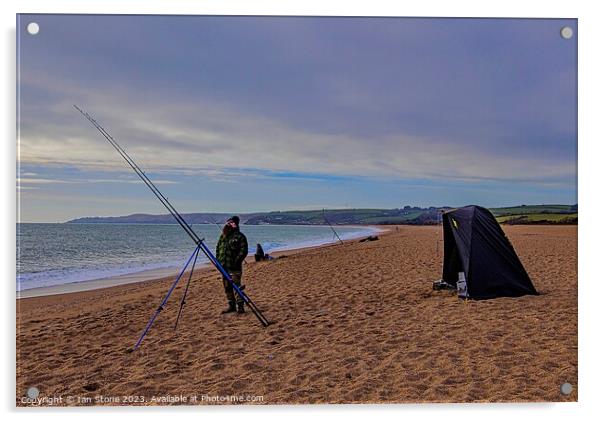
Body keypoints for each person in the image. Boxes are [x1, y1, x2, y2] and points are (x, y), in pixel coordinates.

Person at [216, 216, 248, 314]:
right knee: (227, 287)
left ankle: (240, 306)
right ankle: (231, 306)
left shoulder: (240, 236)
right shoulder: (223, 236)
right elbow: (218, 248)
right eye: (227, 223)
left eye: (231, 223)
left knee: (236, 286)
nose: (228, 225)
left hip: (234, 267)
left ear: (235, 224)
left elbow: (244, 251)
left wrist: (237, 261)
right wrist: (218, 261)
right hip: (224, 266)